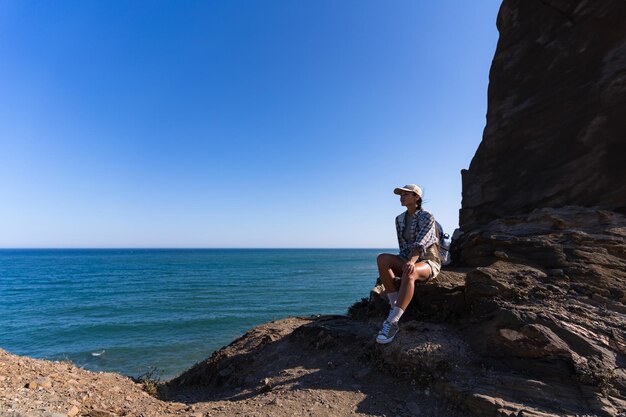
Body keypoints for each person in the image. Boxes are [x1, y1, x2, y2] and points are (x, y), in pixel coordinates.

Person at [375, 184, 441, 344]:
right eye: (401, 195)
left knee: (410, 272)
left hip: (427, 261)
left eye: (406, 194)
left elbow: (422, 242)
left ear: (416, 197)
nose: (401, 197)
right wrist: (405, 262)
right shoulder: (399, 219)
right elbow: (403, 246)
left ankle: (393, 322)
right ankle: (394, 307)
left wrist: (411, 262)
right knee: (382, 258)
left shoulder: (427, 216)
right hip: (407, 258)